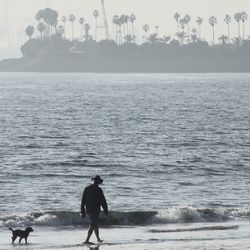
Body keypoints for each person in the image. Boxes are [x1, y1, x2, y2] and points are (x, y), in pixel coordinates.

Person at [81, 175, 108, 244]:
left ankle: (98, 239)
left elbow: (83, 200)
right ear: (98, 182)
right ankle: (87, 240)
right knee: (93, 224)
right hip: (95, 209)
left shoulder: (87, 188)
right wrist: (106, 210)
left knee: (95, 224)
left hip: (88, 209)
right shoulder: (99, 190)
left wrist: (83, 210)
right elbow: (103, 201)